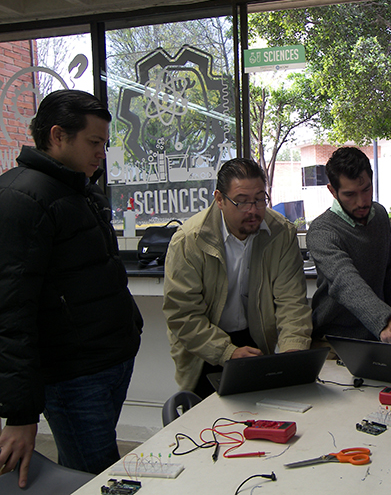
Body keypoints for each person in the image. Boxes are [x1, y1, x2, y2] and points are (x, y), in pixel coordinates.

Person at [0, 90, 143, 487]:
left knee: (86, 471)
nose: (102, 153)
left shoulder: (82, 189)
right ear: (59, 136)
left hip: (110, 359)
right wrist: (22, 414)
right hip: (73, 374)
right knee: (98, 478)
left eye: (105, 143)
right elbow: (12, 313)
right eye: (94, 143)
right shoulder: (20, 198)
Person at [163, 157, 312, 398]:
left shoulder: (281, 233)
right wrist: (226, 352)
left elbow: (292, 302)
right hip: (205, 346)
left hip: (255, 339)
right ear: (219, 199)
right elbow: (183, 315)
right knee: (210, 426)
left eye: (259, 200)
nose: (253, 210)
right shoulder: (189, 240)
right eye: (242, 202)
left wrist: (292, 352)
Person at [306, 147, 391, 347]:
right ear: (332, 191)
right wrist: (385, 321)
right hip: (333, 340)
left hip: (376, 337)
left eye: (366, 190)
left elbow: (389, 276)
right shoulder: (322, 231)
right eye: (350, 194)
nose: (362, 202)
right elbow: (345, 280)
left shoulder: (379, 215)